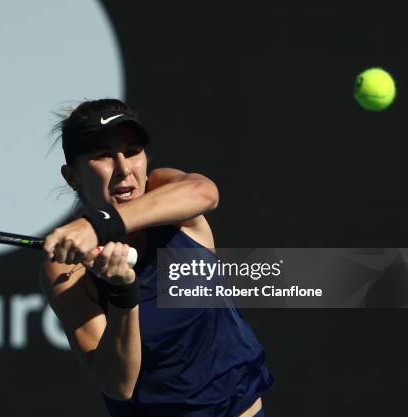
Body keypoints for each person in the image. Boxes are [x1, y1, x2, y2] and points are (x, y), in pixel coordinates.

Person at [39, 98, 275, 417]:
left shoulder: (166, 192)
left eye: (133, 151)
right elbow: (117, 383)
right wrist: (123, 293)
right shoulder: (66, 268)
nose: (124, 169)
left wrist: (97, 225)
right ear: (73, 177)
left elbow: (206, 193)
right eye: (103, 156)